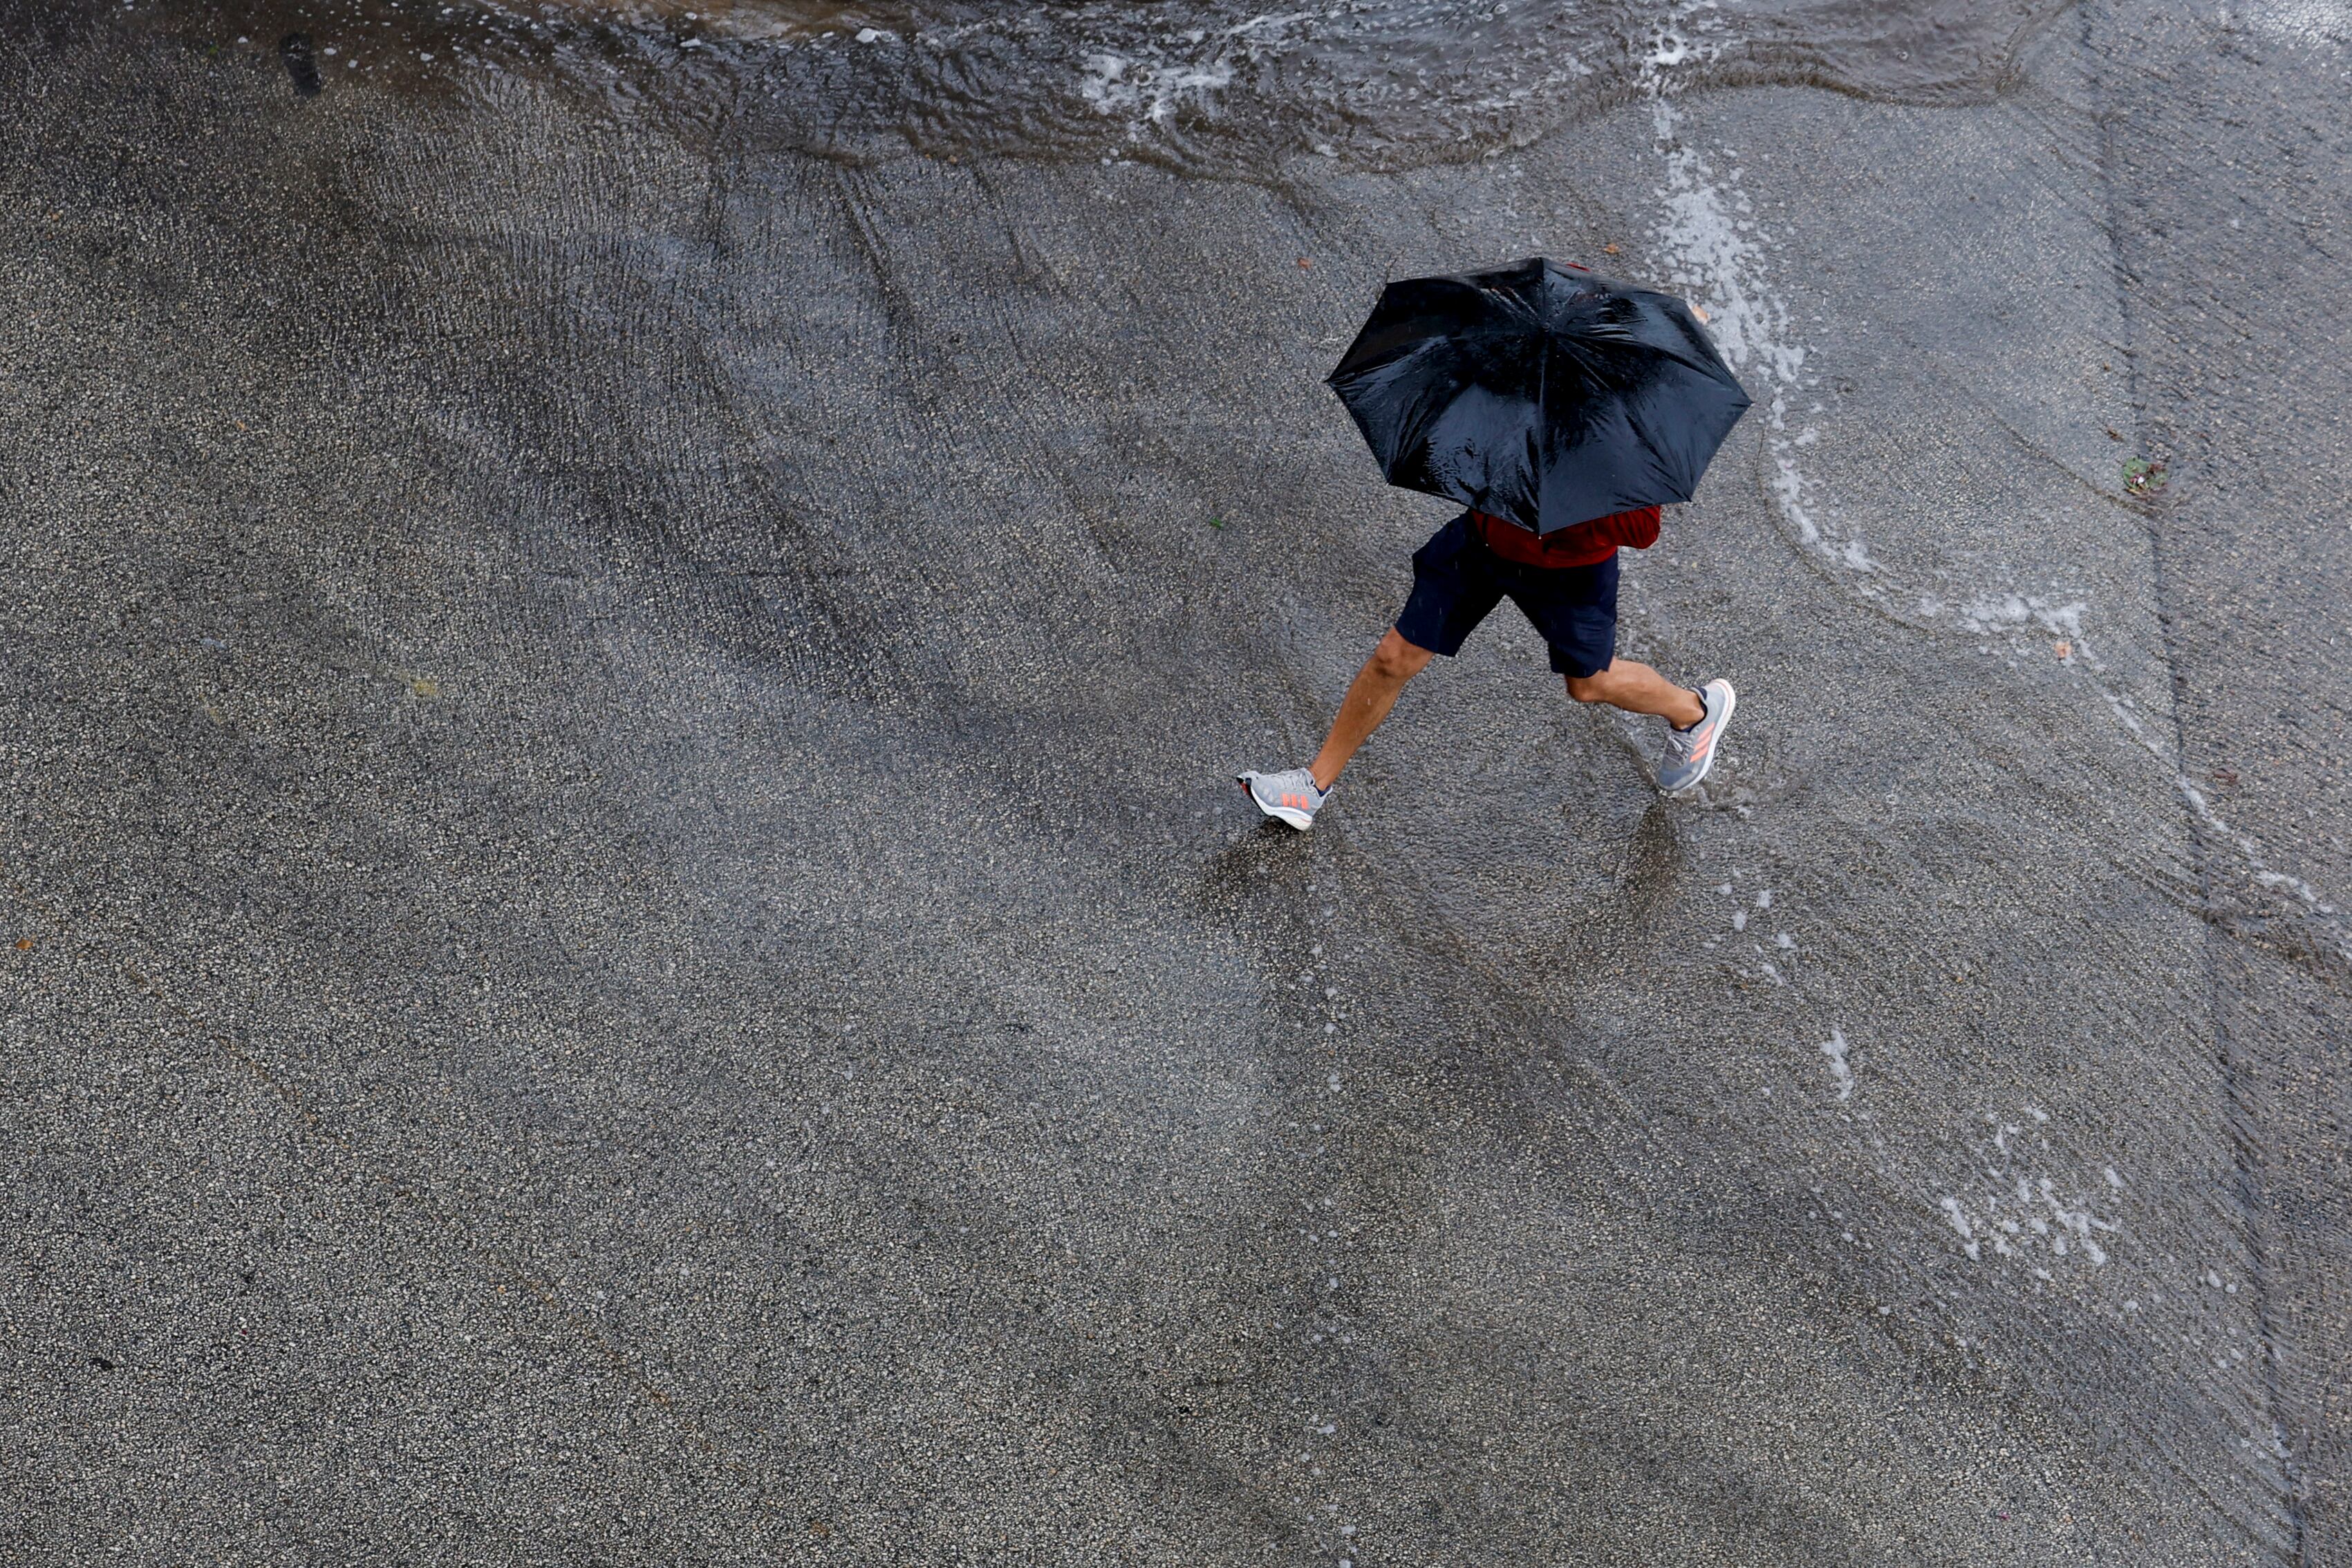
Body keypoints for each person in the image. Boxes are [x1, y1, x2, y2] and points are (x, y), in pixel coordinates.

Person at [1238, 500, 1735, 830]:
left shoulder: (1622, 425)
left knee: (1589, 684)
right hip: (1481, 542)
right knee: (1395, 656)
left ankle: (1695, 712)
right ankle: (1311, 787)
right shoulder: (1508, 378)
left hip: (1569, 574)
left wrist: (1556, 503)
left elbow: (1643, 529)